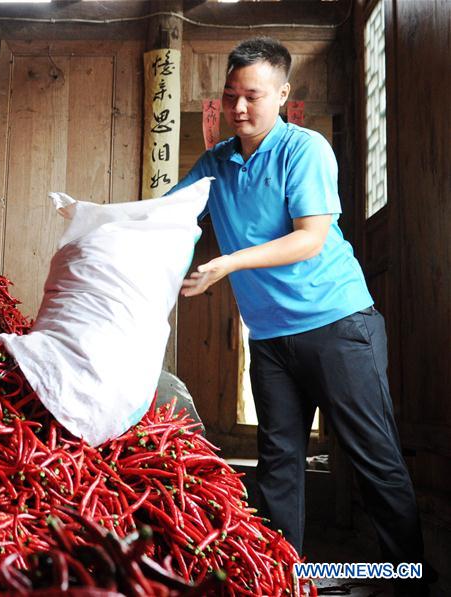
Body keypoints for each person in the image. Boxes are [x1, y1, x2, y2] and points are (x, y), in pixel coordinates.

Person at [169, 37, 431, 593]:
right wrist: (102, 222)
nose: (240, 108)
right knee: (278, 462)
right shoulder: (216, 161)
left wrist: (227, 263)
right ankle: (280, 579)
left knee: (373, 457)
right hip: (269, 338)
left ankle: (407, 580)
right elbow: (169, 215)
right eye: (231, 95)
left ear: (283, 94)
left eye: (253, 96)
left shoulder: (304, 148)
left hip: (338, 325)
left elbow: (309, 239)